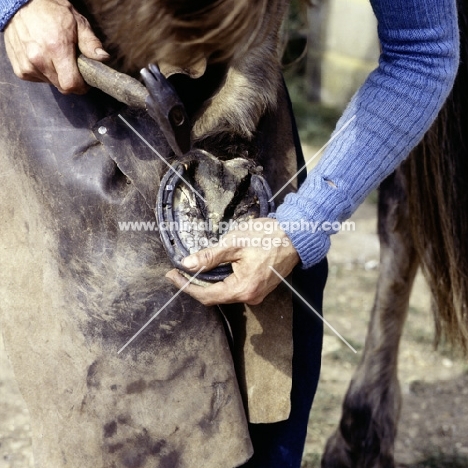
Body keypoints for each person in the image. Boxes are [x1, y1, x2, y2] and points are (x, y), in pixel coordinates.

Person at [0, 0, 459, 466]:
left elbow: (423, 48)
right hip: (60, 63)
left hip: (243, 69)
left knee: (268, 370)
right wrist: (14, 8)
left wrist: (299, 226)